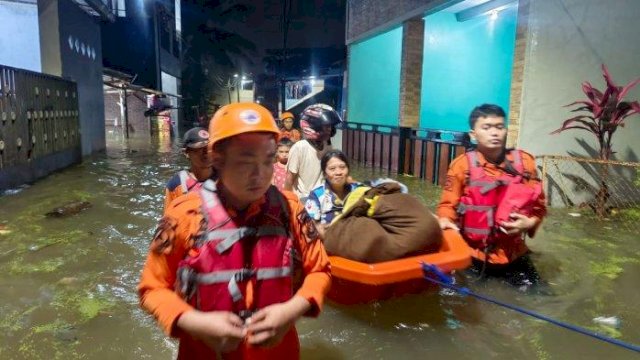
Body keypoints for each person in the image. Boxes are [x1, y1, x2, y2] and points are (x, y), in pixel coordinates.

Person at [138, 102, 332, 359]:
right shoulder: (183, 214)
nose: (261, 174)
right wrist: (193, 321)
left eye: (268, 160)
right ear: (217, 159)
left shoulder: (290, 208)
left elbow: (320, 270)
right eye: (246, 161)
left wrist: (292, 310)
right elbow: (152, 288)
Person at [436, 104, 547, 278]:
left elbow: (539, 207)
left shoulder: (526, 163)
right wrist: (444, 221)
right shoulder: (461, 166)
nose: (494, 133)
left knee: (542, 297)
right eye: (486, 127)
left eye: (499, 127)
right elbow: (447, 205)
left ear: (506, 131)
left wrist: (530, 224)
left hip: (514, 253)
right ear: (473, 134)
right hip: (474, 254)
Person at [284, 104, 341, 200]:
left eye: (330, 126)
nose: (330, 129)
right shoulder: (300, 147)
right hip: (305, 197)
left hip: (323, 195)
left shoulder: (327, 145)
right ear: (314, 127)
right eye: (326, 126)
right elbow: (289, 179)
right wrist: (287, 202)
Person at [304, 150, 362, 236]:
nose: (338, 172)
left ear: (348, 170)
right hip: (328, 245)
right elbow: (316, 227)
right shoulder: (316, 195)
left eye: (342, 167)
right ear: (324, 174)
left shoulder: (359, 190)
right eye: (332, 169)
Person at [163, 127, 214, 212]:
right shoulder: (176, 184)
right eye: (199, 149)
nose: (206, 153)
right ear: (186, 153)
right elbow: (169, 220)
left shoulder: (225, 178)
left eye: (209, 148)